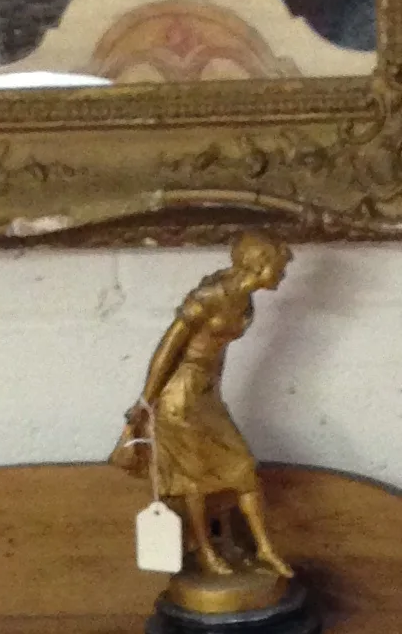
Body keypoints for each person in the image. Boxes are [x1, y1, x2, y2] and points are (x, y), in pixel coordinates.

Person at [112, 231, 294, 578]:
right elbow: (168, 350)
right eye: (279, 267)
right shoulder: (208, 297)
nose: (282, 275)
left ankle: (265, 549)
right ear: (258, 265)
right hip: (178, 399)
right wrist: (145, 402)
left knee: (242, 468)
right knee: (191, 479)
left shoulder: (245, 299)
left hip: (206, 392)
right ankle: (206, 551)